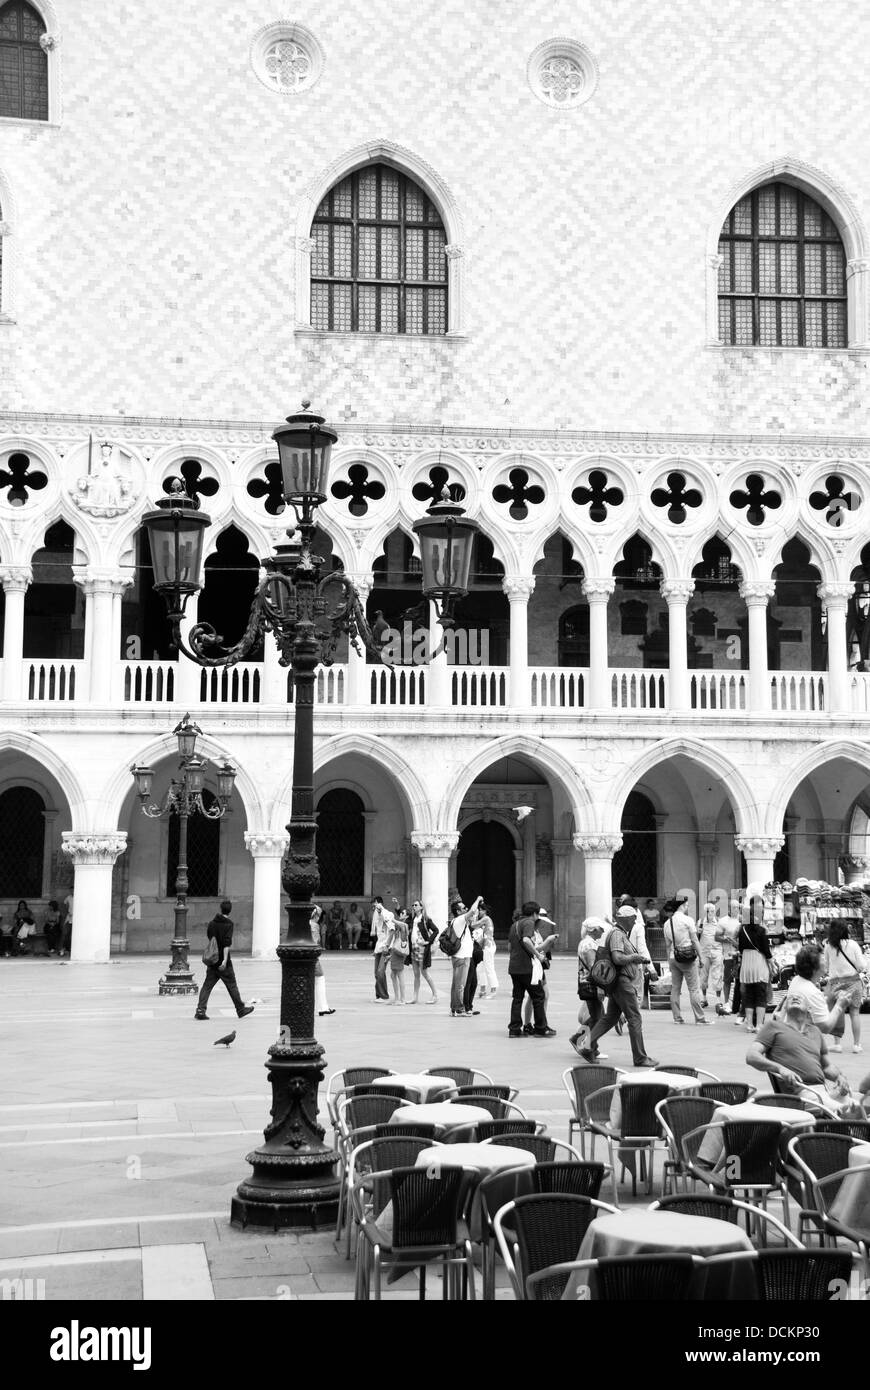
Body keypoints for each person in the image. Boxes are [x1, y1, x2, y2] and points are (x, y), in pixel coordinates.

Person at [746, 994, 856, 1115]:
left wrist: (839, 1077)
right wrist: (780, 1068)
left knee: (860, 1108)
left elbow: (826, 1066)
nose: (795, 998)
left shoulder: (815, 1031)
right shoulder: (774, 1026)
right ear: (786, 1007)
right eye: (790, 998)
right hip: (801, 1094)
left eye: (800, 997)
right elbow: (751, 1056)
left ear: (809, 1008)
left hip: (824, 1092)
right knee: (848, 1112)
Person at [578, 911, 657, 1066]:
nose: (635, 922)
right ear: (626, 919)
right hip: (622, 982)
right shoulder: (617, 934)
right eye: (634, 919)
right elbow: (617, 958)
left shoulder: (619, 933)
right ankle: (640, 1057)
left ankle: (587, 1045)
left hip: (618, 982)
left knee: (610, 1018)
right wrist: (634, 958)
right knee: (634, 1018)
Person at [194, 900, 255, 1021]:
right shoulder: (229, 924)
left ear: (221, 909)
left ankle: (200, 1010)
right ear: (230, 910)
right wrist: (224, 960)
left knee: (207, 986)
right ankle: (240, 1009)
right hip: (223, 961)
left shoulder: (212, 923)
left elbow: (210, 938)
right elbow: (226, 944)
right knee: (232, 985)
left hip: (212, 960)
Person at [507, 899, 555, 1038]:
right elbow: (526, 940)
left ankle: (514, 1029)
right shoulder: (529, 922)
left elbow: (510, 947)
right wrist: (537, 955)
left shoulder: (514, 925)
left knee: (517, 998)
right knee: (538, 996)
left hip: (514, 967)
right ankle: (540, 1028)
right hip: (526, 967)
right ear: (534, 914)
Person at [663, 897, 711, 1025]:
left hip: (674, 957)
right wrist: (701, 957)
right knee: (694, 989)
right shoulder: (688, 920)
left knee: (675, 989)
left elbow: (667, 946)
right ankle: (700, 1018)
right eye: (687, 905)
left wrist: (669, 961)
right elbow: (695, 940)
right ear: (682, 905)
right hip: (687, 957)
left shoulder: (667, 923)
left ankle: (677, 1018)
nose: (688, 907)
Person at [787, 943, 852, 1035]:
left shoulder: (797, 980)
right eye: (822, 959)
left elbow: (812, 1006)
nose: (826, 961)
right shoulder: (812, 992)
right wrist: (839, 1005)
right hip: (804, 1043)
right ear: (814, 968)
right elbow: (826, 1027)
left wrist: (825, 999)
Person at [823, 922, 865, 1054]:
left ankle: (837, 1044)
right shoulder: (853, 944)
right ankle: (856, 1045)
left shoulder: (829, 946)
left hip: (836, 983)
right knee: (855, 1013)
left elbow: (826, 967)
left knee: (837, 1012)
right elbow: (862, 966)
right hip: (854, 981)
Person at [569, 917, 608, 1057]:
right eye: (601, 929)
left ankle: (579, 1040)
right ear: (593, 930)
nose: (603, 932)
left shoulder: (586, 943)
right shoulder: (589, 945)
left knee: (596, 1016)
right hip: (591, 985)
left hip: (586, 983)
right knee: (599, 1018)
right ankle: (588, 1047)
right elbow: (594, 968)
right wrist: (600, 987)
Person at [521, 910, 557, 1033]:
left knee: (542, 995)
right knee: (536, 996)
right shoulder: (530, 932)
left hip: (538, 966)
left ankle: (539, 1023)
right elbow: (534, 948)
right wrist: (548, 941)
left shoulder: (536, 932)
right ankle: (535, 1024)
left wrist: (548, 943)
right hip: (534, 967)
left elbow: (542, 950)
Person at [737, 902, 771, 1033]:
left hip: (746, 965)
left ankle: (749, 1025)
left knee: (749, 996)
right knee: (760, 996)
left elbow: (740, 949)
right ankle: (759, 1026)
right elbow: (766, 952)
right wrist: (772, 963)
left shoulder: (742, 930)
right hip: (759, 964)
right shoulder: (762, 930)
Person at [449, 896, 480, 1018]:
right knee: (460, 985)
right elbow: (472, 911)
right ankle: (459, 1009)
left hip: (460, 956)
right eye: (463, 908)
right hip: (462, 957)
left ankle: (454, 1008)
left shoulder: (458, 921)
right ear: (458, 911)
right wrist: (477, 900)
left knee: (456, 984)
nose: (466, 909)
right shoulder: (460, 919)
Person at [409, 899, 438, 1003]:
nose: (414, 906)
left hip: (422, 949)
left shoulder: (425, 919)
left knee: (424, 972)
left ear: (421, 907)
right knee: (416, 974)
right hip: (413, 948)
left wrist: (428, 942)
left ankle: (435, 995)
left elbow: (436, 930)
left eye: (416, 905)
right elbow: (401, 914)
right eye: (413, 905)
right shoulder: (413, 919)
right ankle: (415, 997)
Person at [697, 901, 724, 1010]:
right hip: (704, 953)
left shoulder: (719, 922)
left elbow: (723, 935)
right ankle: (704, 999)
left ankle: (718, 1001)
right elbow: (695, 937)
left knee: (717, 976)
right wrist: (697, 932)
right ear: (706, 912)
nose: (711, 913)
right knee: (703, 977)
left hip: (717, 951)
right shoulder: (700, 922)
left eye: (713, 911)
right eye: (709, 911)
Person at [310, 904, 335, 1016]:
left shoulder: (306, 923)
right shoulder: (314, 925)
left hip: (305, 956)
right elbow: (315, 942)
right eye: (318, 914)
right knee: (320, 978)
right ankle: (323, 1007)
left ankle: (323, 1007)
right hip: (312, 956)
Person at [370, 897, 393, 1001]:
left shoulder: (387, 914)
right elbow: (379, 935)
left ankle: (384, 996)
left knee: (380, 971)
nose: (374, 909)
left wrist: (387, 946)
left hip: (385, 947)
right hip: (379, 947)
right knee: (377, 972)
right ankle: (379, 995)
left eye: (375, 906)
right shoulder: (377, 916)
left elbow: (392, 930)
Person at [385, 907, 410, 1004]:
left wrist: (392, 919)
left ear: (407, 915)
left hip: (399, 952)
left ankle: (401, 999)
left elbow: (402, 925)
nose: (401, 914)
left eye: (403, 913)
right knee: (393, 974)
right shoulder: (399, 925)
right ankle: (397, 998)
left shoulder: (404, 925)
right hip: (396, 951)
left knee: (399, 974)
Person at [476, 901, 498, 999]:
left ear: (484, 911)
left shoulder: (486, 918)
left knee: (489, 968)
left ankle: (493, 989)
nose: (479, 912)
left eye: (480, 910)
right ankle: (482, 989)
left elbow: (473, 925)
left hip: (488, 946)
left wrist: (474, 916)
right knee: (480, 968)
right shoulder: (483, 919)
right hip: (483, 947)